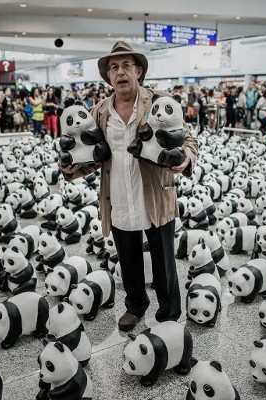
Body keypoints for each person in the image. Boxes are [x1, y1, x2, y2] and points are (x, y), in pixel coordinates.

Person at [59, 41, 198, 331]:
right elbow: (92, 156)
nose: (120, 72)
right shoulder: (98, 112)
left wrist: (185, 158)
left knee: (164, 261)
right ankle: (135, 306)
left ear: (138, 71)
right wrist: (70, 168)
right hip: (118, 196)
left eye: (126, 66)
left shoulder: (158, 102)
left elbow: (188, 139)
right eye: (113, 68)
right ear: (108, 77)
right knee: (128, 258)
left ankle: (170, 313)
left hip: (155, 196)